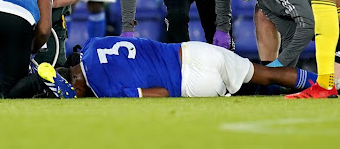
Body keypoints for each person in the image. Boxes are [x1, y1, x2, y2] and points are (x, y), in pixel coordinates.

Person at [59, 35, 317, 98]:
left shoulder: (104, 89)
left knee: (243, 89)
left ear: (75, 82)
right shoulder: (93, 44)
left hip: (190, 83)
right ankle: (330, 83)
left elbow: (160, 92)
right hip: (191, 51)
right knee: (266, 74)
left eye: (74, 93)